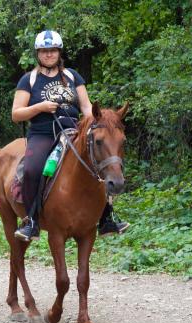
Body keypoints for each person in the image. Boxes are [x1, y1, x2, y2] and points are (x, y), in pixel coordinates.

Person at [11, 30, 129, 242]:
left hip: (73, 131)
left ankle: (106, 217)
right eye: (44, 51)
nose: (49, 55)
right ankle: (31, 220)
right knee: (32, 168)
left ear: (59, 52)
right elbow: (16, 113)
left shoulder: (73, 76)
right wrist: (40, 107)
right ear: (38, 54)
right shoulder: (28, 80)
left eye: (53, 50)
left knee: (100, 162)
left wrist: (97, 124)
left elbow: (86, 106)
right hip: (43, 133)